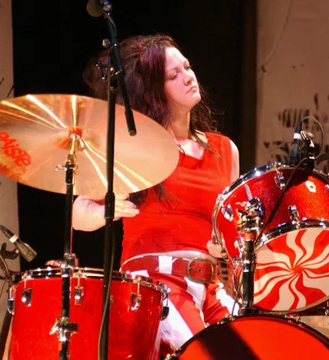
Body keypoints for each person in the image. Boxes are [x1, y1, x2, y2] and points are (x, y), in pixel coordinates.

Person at [72, 34, 240, 352]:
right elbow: (77, 215)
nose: (188, 77)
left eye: (187, 67)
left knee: (257, 345)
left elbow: (229, 232)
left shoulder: (225, 149)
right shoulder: (137, 147)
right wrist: (106, 209)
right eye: (173, 75)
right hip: (154, 284)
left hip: (211, 287)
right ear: (153, 92)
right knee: (209, 353)